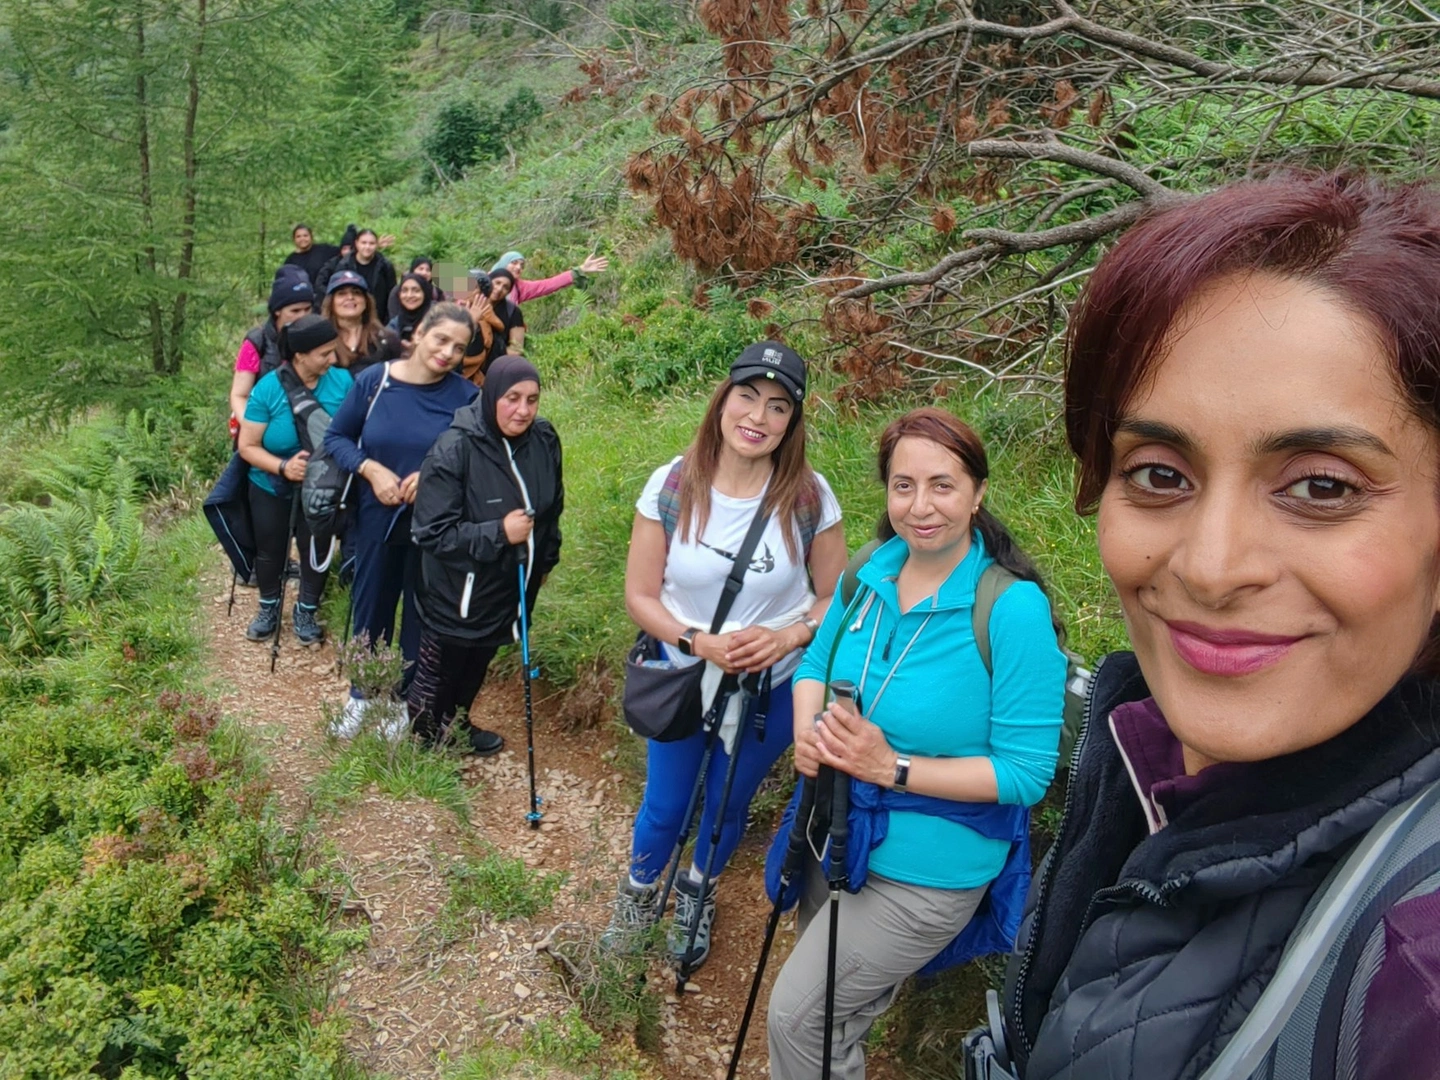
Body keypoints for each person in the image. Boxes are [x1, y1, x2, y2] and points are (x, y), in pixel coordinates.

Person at [992, 173, 1440, 1080]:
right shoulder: (1135, 758)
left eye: (1322, 486)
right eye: (1159, 473)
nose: (1210, 563)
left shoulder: (1416, 972)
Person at [765, 407, 1068, 1080]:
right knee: (832, 1015)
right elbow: (816, 664)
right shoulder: (873, 568)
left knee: (798, 1017)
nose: (920, 506)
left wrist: (889, 765)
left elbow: (1025, 775)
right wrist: (808, 733)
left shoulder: (1010, 610)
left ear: (977, 492)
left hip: (929, 869)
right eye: (903, 486)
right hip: (834, 828)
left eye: (942, 485)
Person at [603, 342, 848, 970]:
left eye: (777, 406)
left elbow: (833, 599)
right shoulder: (674, 483)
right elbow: (640, 593)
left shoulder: (808, 499)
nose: (757, 417)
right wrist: (695, 641)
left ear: (792, 421)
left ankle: (697, 891)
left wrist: (788, 637)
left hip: (770, 690)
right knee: (666, 802)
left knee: (726, 804)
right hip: (685, 678)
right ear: (723, 398)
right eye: (747, 396)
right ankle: (636, 898)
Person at [322, 302, 479, 736]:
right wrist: (370, 469)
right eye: (441, 339)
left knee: (419, 612)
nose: (447, 353)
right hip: (374, 517)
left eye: (459, 347)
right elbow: (336, 438)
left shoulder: (467, 398)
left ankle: (399, 703)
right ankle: (361, 696)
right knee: (370, 605)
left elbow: (476, 462)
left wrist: (433, 476)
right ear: (419, 334)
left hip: (434, 525)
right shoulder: (375, 382)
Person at [408, 356, 563, 755]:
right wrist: (499, 532)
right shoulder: (454, 449)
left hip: (509, 588)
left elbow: (551, 509)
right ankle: (423, 747)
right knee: (443, 671)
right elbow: (431, 532)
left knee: (478, 662)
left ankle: (456, 727)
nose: (523, 410)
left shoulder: (544, 440)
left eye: (532, 399)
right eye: (512, 398)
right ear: (491, 395)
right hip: (454, 594)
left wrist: (545, 562)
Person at [235, 315, 353, 645]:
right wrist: (284, 466)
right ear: (300, 355)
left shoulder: (343, 382)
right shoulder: (269, 388)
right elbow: (248, 446)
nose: (333, 359)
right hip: (270, 483)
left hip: (324, 485)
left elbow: (357, 432)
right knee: (271, 549)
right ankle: (269, 607)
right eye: (325, 353)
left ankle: (306, 610)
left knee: (315, 545)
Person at [229, 265, 316, 425]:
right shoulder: (256, 341)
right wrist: (252, 429)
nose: (302, 316)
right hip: (262, 425)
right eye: (295, 311)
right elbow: (239, 395)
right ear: (277, 311)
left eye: (307, 309)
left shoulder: (317, 338)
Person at [321, 269, 402, 378]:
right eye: (342, 293)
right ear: (331, 302)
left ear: (366, 301)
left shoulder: (387, 339)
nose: (350, 297)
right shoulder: (321, 340)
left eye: (356, 292)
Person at [461, 269, 521, 381]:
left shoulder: (512, 311)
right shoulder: (464, 304)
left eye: (506, 287)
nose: (499, 289)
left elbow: (516, 347)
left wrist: (501, 366)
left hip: (494, 366)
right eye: (497, 283)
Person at [327, 228, 398, 323]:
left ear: (376, 245)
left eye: (371, 243)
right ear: (356, 243)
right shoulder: (344, 265)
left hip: (379, 319)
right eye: (363, 243)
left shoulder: (385, 266)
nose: (367, 247)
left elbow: (392, 294)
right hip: (351, 317)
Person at [491, 250, 609, 305]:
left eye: (521, 265)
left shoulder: (519, 287)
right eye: (514, 263)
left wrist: (581, 269)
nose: (518, 267)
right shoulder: (482, 279)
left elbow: (549, 284)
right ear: (503, 263)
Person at [283, 224, 342, 290]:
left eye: (305, 235)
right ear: (294, 239)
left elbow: (344, 251)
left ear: (311, 237)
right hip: (303, 295)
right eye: (298, 236)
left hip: (325, 292)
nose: (302, 239)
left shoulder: (324, 250)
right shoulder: (290, 260)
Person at [387, 273, 433, 351]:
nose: (409, 295)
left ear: (425, 293)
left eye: (416, 291)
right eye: (404, 291)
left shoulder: (437, 319)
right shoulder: (396, 322)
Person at [314, 224, 358, 298]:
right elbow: (320, 283)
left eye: (351, 249)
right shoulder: (332, 263)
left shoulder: (362, 263)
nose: (347, 252)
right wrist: (332, 295)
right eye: (344, 249)